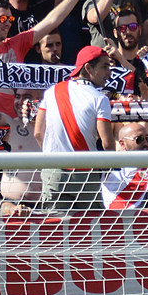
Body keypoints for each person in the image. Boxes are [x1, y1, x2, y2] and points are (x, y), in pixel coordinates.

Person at [31, 45, 117, 209]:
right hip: (86, 175)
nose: (109, 73)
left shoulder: (51, 92)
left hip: (53, 172)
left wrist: (52, 158)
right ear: (88, 68)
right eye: (105, 66)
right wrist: (108, 168)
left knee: (55, 231)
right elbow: (107, 143)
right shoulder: (100, 99)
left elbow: (37, 133)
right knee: (91, 230)